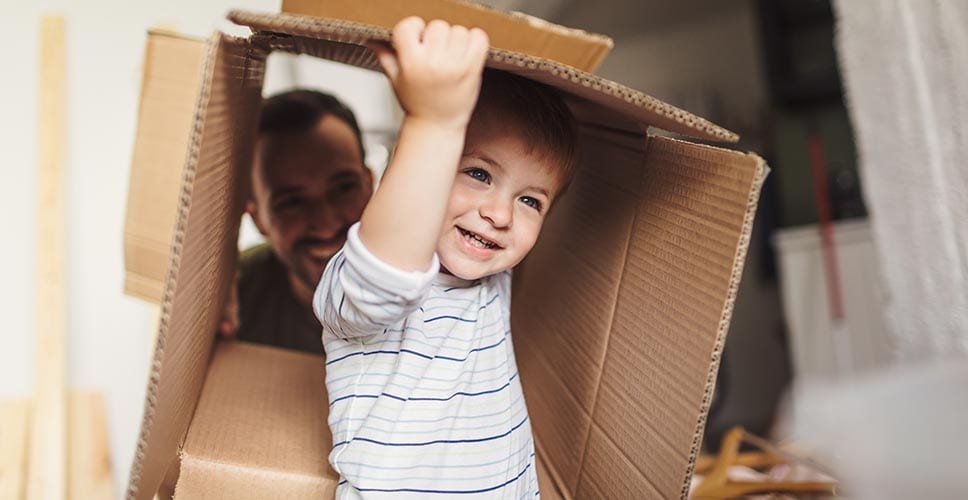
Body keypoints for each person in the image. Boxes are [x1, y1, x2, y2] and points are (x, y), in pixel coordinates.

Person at [313, 17, 578, 497]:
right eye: (478, 173)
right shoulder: (361, 278)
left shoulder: (492, 275)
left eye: (530, 200)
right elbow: (386, 278)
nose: (500, 213)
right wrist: (433, 122)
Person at [227, 89, 374, 353]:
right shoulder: (236, 293)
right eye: (291, 202)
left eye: (343, 188)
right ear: (258, 218)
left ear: (370, 184)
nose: (325, 223)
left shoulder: (434, 279)